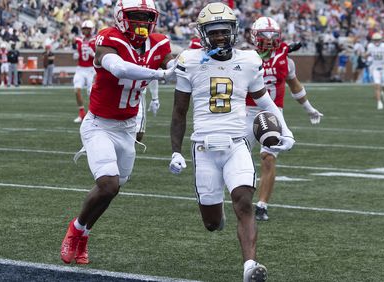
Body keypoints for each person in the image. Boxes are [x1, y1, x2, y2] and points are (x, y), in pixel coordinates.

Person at [169, 3, 294, 281]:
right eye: (214, 33)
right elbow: (179, 112)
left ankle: (250, 266)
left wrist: (285, 129)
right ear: (203, 35)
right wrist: (175, 152)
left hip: (237, 143)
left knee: (243, 202)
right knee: (212, 223)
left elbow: (264, 101)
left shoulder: (248, 61)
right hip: (203, 147)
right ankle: (217, 216)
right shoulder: (190, 61)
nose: (220, 38)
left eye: (224, 32)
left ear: (234, 32)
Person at [60, 0, 176, 265]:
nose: (141, 23)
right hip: (99, 124)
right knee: (108, 183)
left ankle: (86, 234)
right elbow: (120, 68)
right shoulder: (108, 39)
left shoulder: (159, 44)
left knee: (113, 189)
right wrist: (160, 75)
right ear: (121, 18)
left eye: (146, 17)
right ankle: (75, 229)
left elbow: (174, 63)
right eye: (135, 16)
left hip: (127, 128)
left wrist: (182, 63)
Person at [245, 17, 323, 221]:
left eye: (273, 36)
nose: (270, 40)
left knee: (268, 158)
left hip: (273, 113)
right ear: (255, 36)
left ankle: (262, 205)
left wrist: (309, 108)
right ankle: (239, 197)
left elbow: (295, 85)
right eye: (264, 35)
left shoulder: (285, 60)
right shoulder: (246, 58)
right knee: (239, 155)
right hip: (246, 110)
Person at [72, 20, 96, 123]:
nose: (85, 31)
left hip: (91, 69)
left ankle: (93, 115)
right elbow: (74, 48)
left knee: (91, 93)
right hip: (80, 69)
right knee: (77, 90)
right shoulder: (78, 40)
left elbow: (101, 56)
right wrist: (75, 54)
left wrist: (94, 54)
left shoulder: (96, 40)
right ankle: (81, 114)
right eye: (84, 29)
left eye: (88, 29)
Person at [365, 32, 384, 110]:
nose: (376, 41)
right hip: (375, 67)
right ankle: (379, 102)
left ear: (381, 40)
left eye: (378, 40)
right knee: (377, 85)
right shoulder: (370, 46)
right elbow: (367, 54)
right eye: (375, 40)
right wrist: (363, 54)